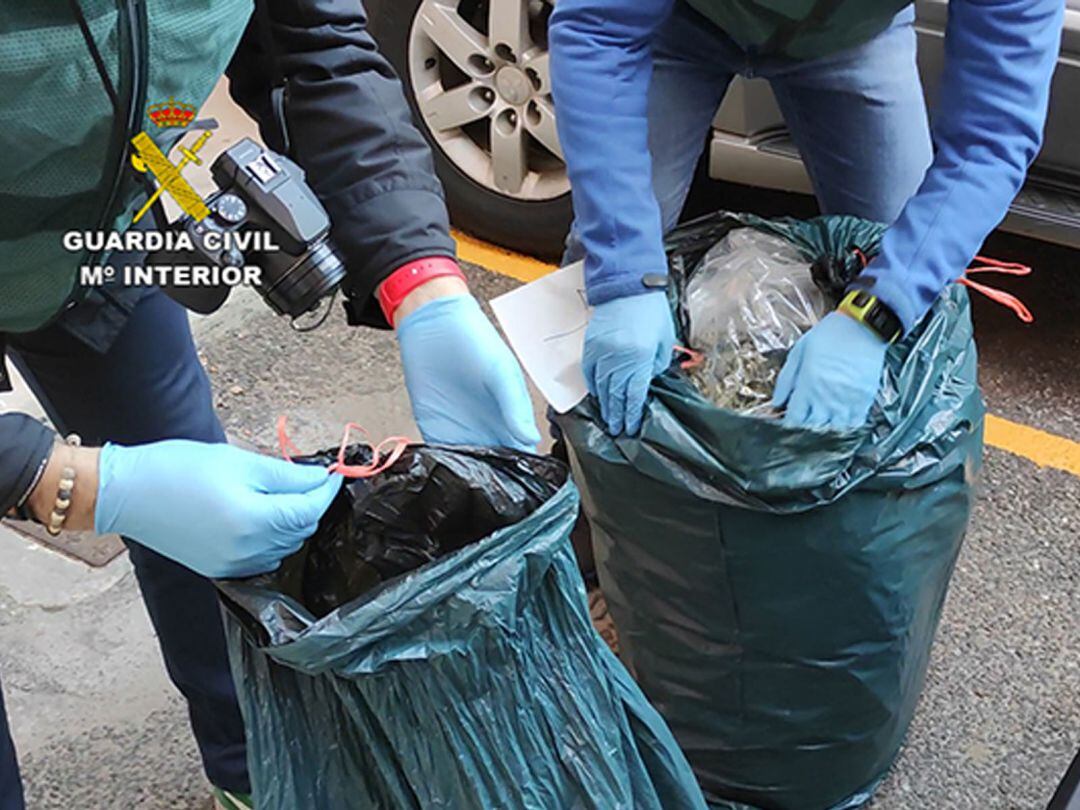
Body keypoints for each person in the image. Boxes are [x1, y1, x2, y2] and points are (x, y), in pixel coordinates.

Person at [0, 1, 540, 808]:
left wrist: (420, 276)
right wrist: (62, 478)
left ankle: (259, 775)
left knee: (208, 538)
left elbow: (314, 45)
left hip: (95, 242)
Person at [548, 0, 1063, 436]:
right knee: (603, 276)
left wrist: (879, 312)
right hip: (680, 19)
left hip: (850, 36)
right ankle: (577, 495)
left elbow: (992, 137)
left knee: (913, 287)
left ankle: (861, 517)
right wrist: (622, 275)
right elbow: (598, 30)